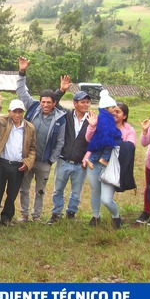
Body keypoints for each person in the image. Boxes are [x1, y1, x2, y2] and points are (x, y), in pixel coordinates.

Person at [15, 56, 67, 222]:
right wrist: (22, 72)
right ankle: (24, 214)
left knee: (40, 190)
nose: (45, 105)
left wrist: (52, 159)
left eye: (49, 102)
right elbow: (21, 91)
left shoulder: (60, 118)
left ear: (54, 103)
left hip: (45, 161)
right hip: (27, 158)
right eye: (43, 101)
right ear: (39, 101)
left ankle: (36, 216)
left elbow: (60, 141)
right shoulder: (32, 108)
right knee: (24, 188)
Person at [0, 92, 36, 228]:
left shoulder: (29, 127)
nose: (17, 115)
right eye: (14, 112)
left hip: (17, 165)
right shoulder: (3, 121)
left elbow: (32, 149)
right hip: (1, 163)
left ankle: (6, 217)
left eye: (20, 112)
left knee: (12, 193)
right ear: (9, 111)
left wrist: (28, 162)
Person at [85, 99, 136, 229]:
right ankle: (95, 217)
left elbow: (130, 146)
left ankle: (116, 217)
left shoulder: (129, 130)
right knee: (95, 191)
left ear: (124, 116)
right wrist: (92, 126)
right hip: (95, 163)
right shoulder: (101, 123)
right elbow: (89, 139)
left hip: (112, 166)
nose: (114, 113)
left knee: (106, 199)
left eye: (118, 111)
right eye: (113, 110)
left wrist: (111, 142)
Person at [48, 90, 92, 224]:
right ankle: (56, 213)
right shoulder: (66, 115)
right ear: (75, 103)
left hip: (80, 163)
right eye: (82, 102)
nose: (86, 105)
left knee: (76, 192)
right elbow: (54, 102)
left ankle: (71, 212)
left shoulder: (92, 119)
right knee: (58, 190)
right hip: (64, 160)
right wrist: (61, 90)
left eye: (87, 102)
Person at [86, 90, 121, 170]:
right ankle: (103, 159)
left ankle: (91, 159)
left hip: (99, 138)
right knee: (108, 148)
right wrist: (115, 134)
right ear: (106, 108)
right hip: (106, 137)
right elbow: (110, 128)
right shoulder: (108, 117)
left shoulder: (101, 116)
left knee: (98, 150)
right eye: (112, 108)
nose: (114, 110)